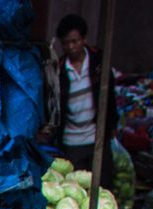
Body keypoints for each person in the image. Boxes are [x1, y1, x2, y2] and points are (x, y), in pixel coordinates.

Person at [43, 14, 116, 172]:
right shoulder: (59, 69)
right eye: (65, 43)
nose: (70, 47)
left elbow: (110, 95)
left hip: (97, 138)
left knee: (101, 186)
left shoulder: (98, 61)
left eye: (74, 41)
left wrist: (111, 126)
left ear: (84, 39)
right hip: (71, 141)